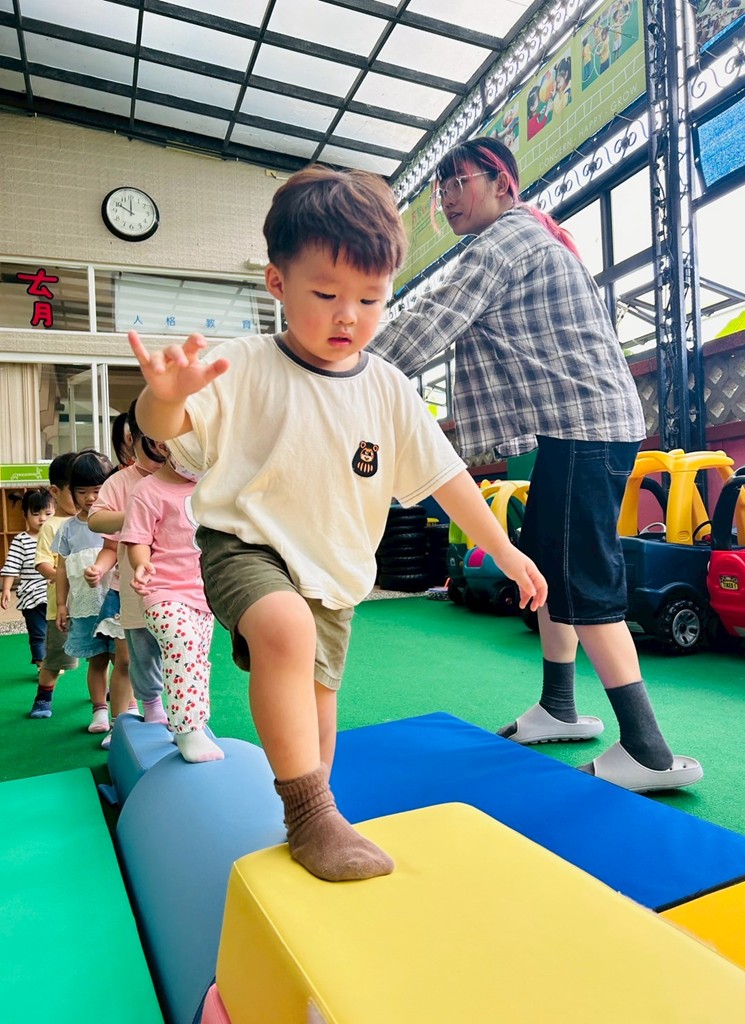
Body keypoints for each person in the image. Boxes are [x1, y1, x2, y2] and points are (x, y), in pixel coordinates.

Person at [128, 164, 547, 882]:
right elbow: (165, 426)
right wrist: (163, 397)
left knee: (320, 707)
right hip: (245, 546)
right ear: (277, 283)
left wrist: (504, 550)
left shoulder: (387, 388)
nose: (347, 315)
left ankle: (316, 811)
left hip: (335, 571)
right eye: (325, 295)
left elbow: (447, 478)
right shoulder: (242, 365)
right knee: (284, 629)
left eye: (370, 299)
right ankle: (310, 814)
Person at [371, 136, 702, 793]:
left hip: (585, 429)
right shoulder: (531, 236)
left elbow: (430, 321)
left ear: (501, 183)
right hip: (576, 429)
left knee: (584, 582)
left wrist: (335, 365)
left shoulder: (506, 241)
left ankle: (647, 750)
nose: (446, 198)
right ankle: (559, 707)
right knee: (548, 568)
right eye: (440, 189)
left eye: (458, 182)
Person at [122, 450, 219, 763]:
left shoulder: (208, 485)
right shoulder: (147, 490)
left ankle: (194, 722)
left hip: (202, 595)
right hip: (162, 590)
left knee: (198, 661)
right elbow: (137, 538)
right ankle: (187, 729)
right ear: (168, 447)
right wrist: (141, 564)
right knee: (183, 646)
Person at [88, 402, 167, 740]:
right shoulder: (123, 481)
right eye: (151, 441)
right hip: (133, 587)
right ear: (133, 440)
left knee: (176, 652)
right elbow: (96, 520)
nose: (161, 449)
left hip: (178, 585)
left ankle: (177, 714)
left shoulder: (184, 478)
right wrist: (135, 512)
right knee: (129, 657)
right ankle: (123, 722)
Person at [54, 449, 116, 735]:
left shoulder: (114, 521)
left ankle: (127, 710)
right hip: (85, 607)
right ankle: (99, 710)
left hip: (115, 604)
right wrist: (61, 605)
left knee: (122, 659)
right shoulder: (68, 529)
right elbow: (62, 570)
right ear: (71, 492)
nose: (91, 498)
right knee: (97, 660)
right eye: (82, 492)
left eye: (97, 490)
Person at [30, 452, 79, 719]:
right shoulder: (51, 526)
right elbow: (43, 563)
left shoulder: (92, 521)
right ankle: (43, 697)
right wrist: (61, 574)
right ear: (55, 491)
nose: (85, 498)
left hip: (91, 603)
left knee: (102, 653)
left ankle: (104, 695)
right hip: (61, 609)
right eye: (76, 491)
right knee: (56, 657)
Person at [1, 489, 55, 669]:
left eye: (48, 513)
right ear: (25, 515)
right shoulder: (21, 540)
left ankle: (54, 660)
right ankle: (42, 664)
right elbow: (11, 566)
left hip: (56, 594)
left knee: (56, 632)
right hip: (33, 597)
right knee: (38, 633)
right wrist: (6, 589)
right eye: (36, 514)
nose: (42, 518)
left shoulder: (57, 537)